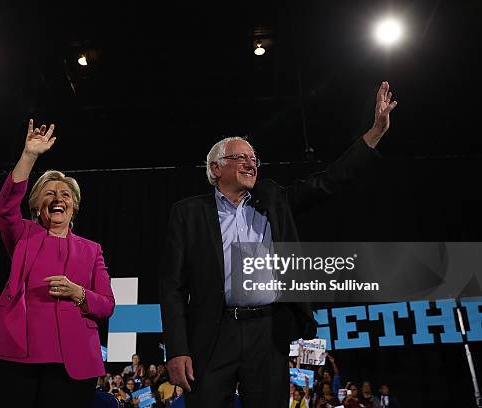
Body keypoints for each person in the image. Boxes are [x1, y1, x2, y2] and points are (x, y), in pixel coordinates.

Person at [159, 82, 398, 407]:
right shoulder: (187, 213)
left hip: (267, 332)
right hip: (213, 335)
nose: (250, 162)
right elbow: (172, 286)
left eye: (253, 158)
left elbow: (328, 181)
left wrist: (375, 134)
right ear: (216, 168)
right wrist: (177, 349)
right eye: (239, 157)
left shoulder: (272, 198)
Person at [0, 119, 116, 407]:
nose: (57, 198)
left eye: (65, 194)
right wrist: (29, 156)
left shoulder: (92, 250)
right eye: (49, 193)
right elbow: (5, 208)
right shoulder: (24, 234)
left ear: (74, 206)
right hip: (15, 352)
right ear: (36, 205)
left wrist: (78, 293)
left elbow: (107, 305)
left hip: (72, 360)